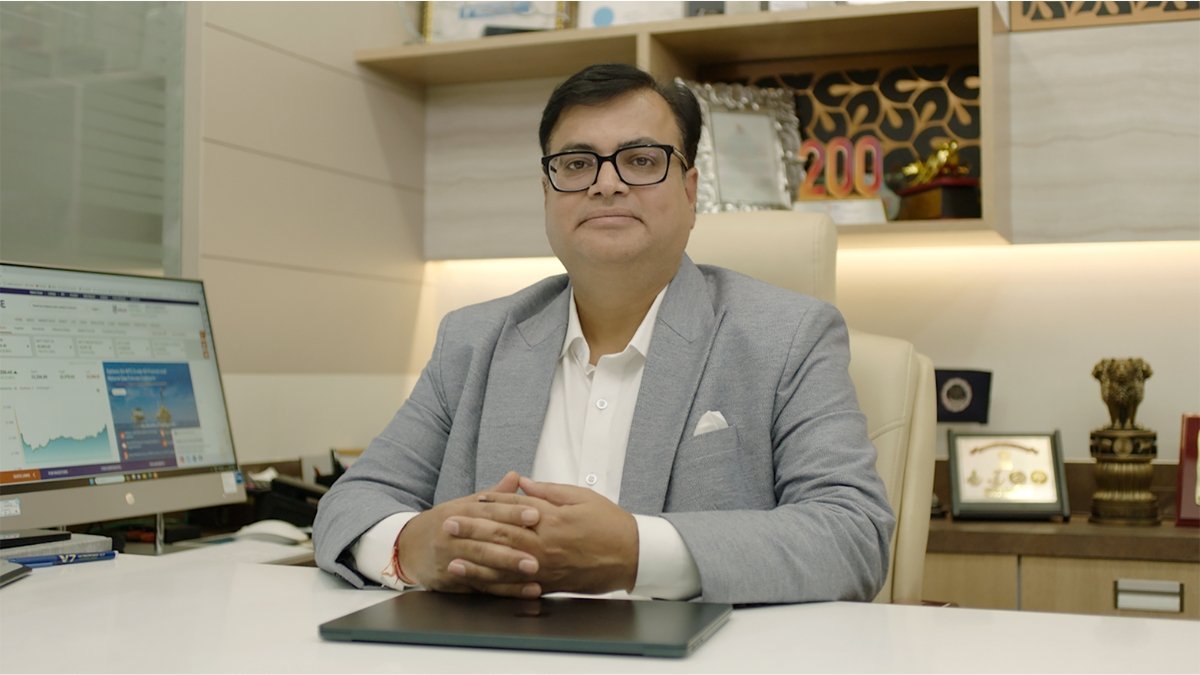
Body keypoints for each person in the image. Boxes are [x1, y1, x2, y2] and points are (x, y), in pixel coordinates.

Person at [313, 63, 894, 605]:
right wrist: (411, 547)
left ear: (690, 191)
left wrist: (635, 553)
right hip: (488, 653)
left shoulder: (788, 336)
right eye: (576, 164)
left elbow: (853, 534)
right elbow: (351, 503)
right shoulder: (471, 341)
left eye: (641, 160)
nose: (606, 184)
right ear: (547, 192)